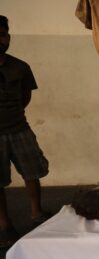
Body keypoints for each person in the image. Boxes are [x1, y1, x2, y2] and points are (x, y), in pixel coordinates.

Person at [0, 15, 50, 246]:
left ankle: (36, 214)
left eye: (2, 35)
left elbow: (25, 97)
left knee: (33, 172)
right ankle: (5, 225)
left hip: (19, 128)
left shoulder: (20, 67)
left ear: (8, 38)